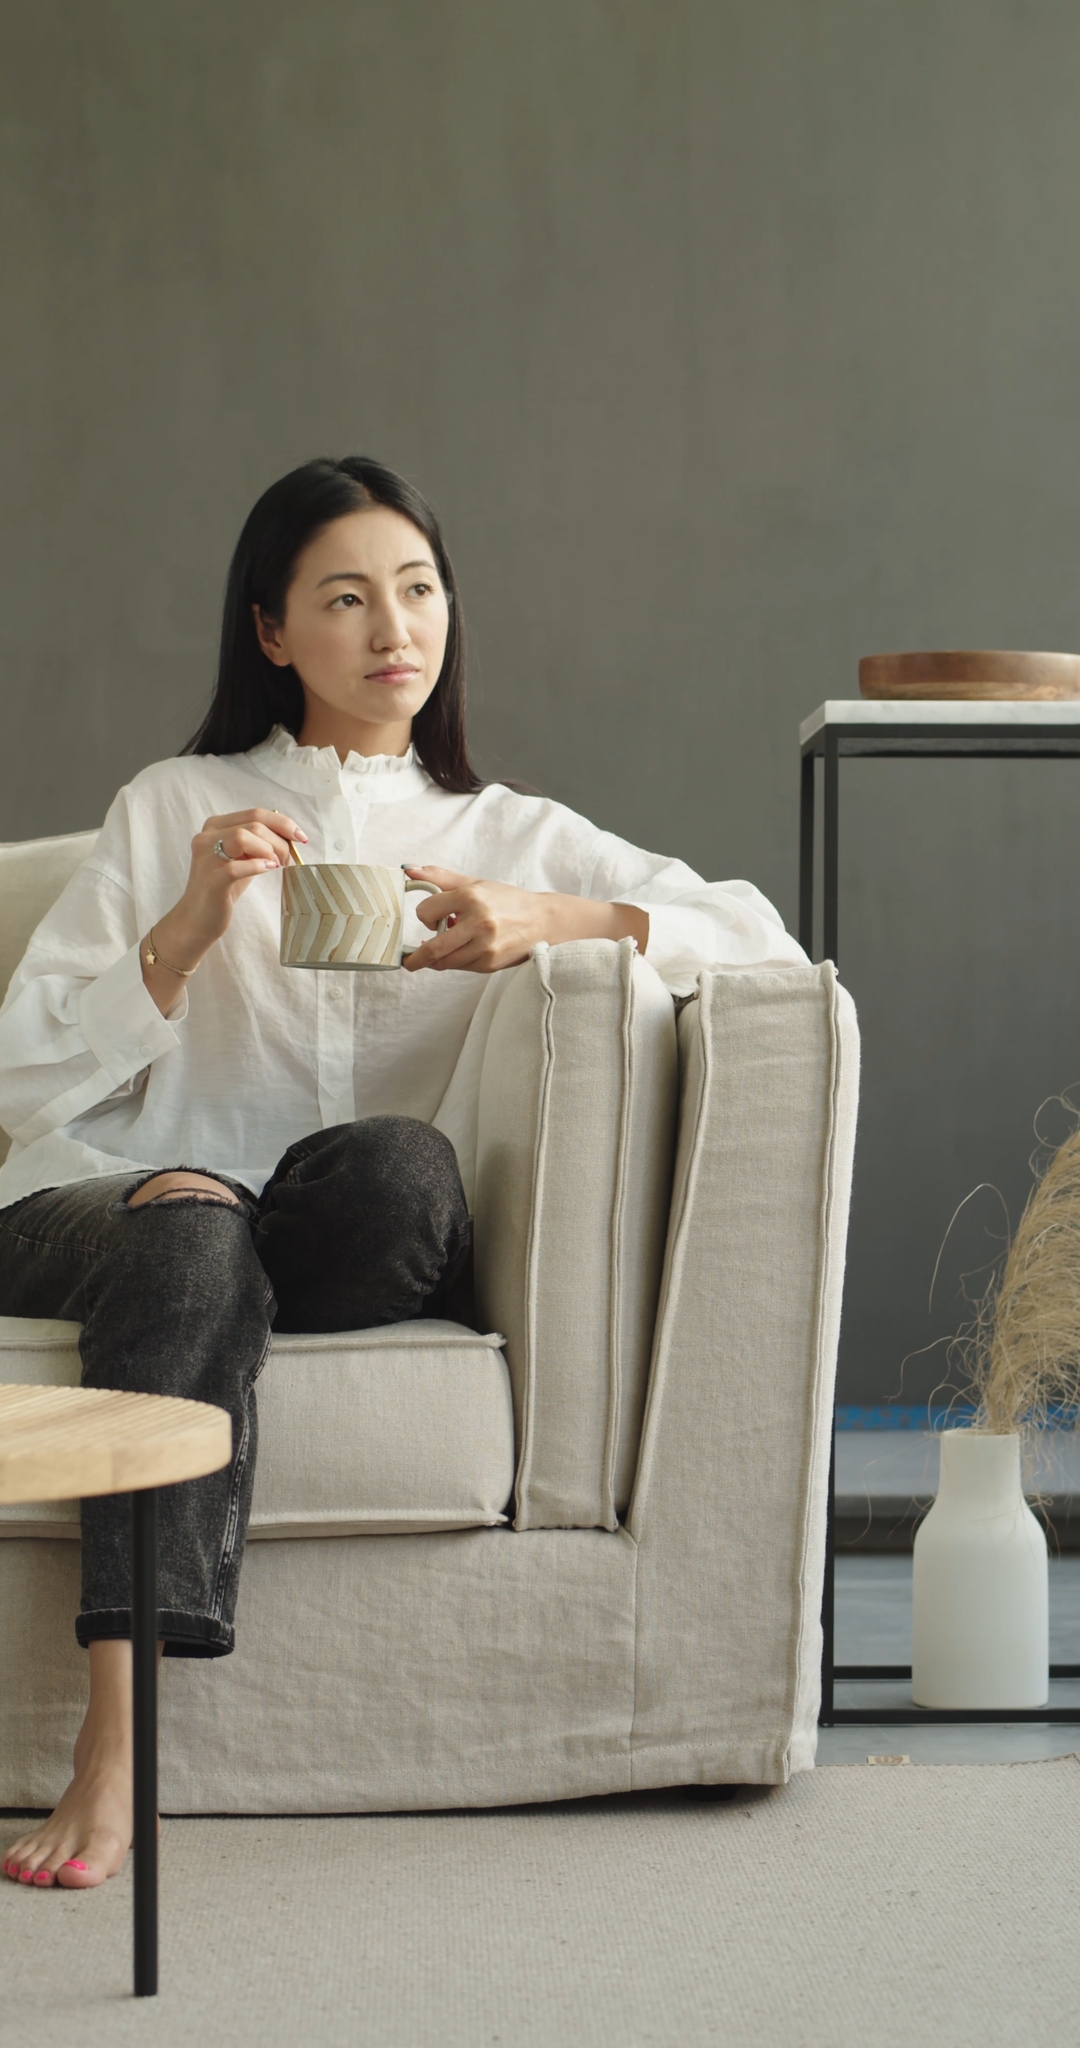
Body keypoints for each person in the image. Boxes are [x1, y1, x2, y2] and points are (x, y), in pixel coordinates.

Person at [0, 455, 806, 1890]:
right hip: (125, 1209)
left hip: (340, 1239)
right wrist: (185, 931)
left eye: (420, 591)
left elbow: (762, 938)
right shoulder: (176, 803)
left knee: (407, 1173)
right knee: (193, 1221)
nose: (396, 629)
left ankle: (219, 1260)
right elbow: (22, 1085)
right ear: (270, 631)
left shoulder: (510, 835)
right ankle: (118, 1749)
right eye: (349, 597)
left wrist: (548, 919)